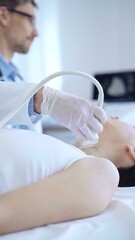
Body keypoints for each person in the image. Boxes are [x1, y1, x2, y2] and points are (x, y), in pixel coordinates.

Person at [3, 116, 135, 234]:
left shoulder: (105, 173)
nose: (116, 117)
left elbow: (5, 214)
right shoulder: (57, 148)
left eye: (129, 124)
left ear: (132, 153)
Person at [0, 0, 107, 140]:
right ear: (3, 15)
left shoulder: (15, 77)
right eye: (31, 21)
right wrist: (43, 99)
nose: (36, 32)